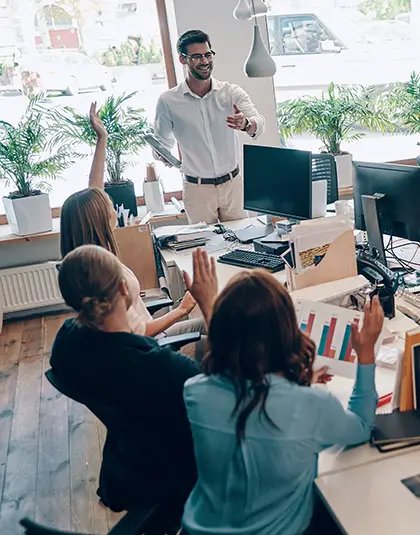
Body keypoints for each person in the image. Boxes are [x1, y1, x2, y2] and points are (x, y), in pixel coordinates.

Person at [181, 272, 384, 535]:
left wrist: (298, 383)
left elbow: (250, 400)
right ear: (286, 331)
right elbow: (361, 427)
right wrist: (366, 354)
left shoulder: (195, 393)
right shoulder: (312, 405)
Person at [50, 246, 218, 517]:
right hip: (186, 472)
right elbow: (229, 395)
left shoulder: (66, 344)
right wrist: (209, 304)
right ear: (124, 290)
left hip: (128, 466)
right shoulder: (164, 369)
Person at [59, 103, 203, 341]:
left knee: (220, 327)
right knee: (221, 332)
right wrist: (182, 309)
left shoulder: (85, 262)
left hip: (152, 334)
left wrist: (102, 138)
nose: (113, 206)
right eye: (108, 205)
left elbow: (94, 190)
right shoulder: (106, 278)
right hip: (154, 344)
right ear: (98, 220)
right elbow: (138, 333)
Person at [153, 29, 266, 225]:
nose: (204, 61)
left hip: (233, 186)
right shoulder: (168, 101)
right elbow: (161, 144)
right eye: (196, 57)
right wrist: (162, 156)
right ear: (183, 59)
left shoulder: (230, 92)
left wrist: (246, 124)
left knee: (244, 245)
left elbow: (259, 124)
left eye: (207, 54)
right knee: (207, 250)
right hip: (197, 191)